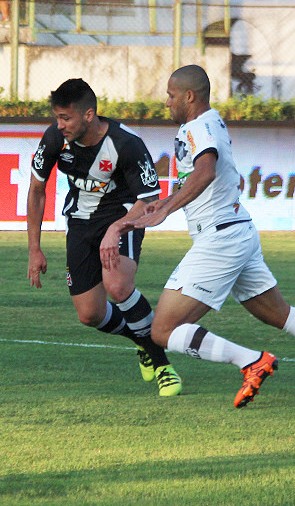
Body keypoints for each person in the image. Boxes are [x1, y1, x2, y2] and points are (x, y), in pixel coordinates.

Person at [121, 65, 295, 408]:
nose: (166, 102)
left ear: (189, 96)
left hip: (220, 238)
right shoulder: (207, 123)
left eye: (170, 95)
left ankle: (250, 361)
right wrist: (165, 204)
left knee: (163, 330)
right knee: (279, 314)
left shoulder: (198, 126)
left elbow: (206, 170)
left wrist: (165, 210)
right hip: (237, 231)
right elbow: (196, 177)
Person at [27, 78, 182, 397]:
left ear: (88, 114)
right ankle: (141, 341)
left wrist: (117, 228)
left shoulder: (126, 143)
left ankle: (162, 364)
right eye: (57, 117)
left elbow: (149, 200)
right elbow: (36, 190)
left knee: (118, 285)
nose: (59, 124)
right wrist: (34, 249)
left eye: (65, 117)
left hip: (123, 217)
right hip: (81, 223)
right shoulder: (56, 137)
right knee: (90, 314)